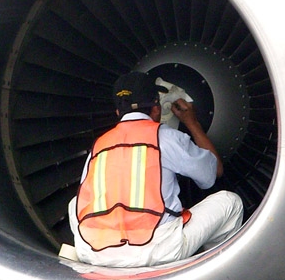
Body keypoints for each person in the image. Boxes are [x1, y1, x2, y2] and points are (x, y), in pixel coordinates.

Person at [69, 71, 243, 267]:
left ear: (118, 113)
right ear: (156, 108)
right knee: (231, 203)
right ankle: (209, 271)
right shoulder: (166, 137)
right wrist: (192, 123)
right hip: (154, 251)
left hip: (95, 252)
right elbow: (213, 173)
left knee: (76, 202)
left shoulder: (99, 146)